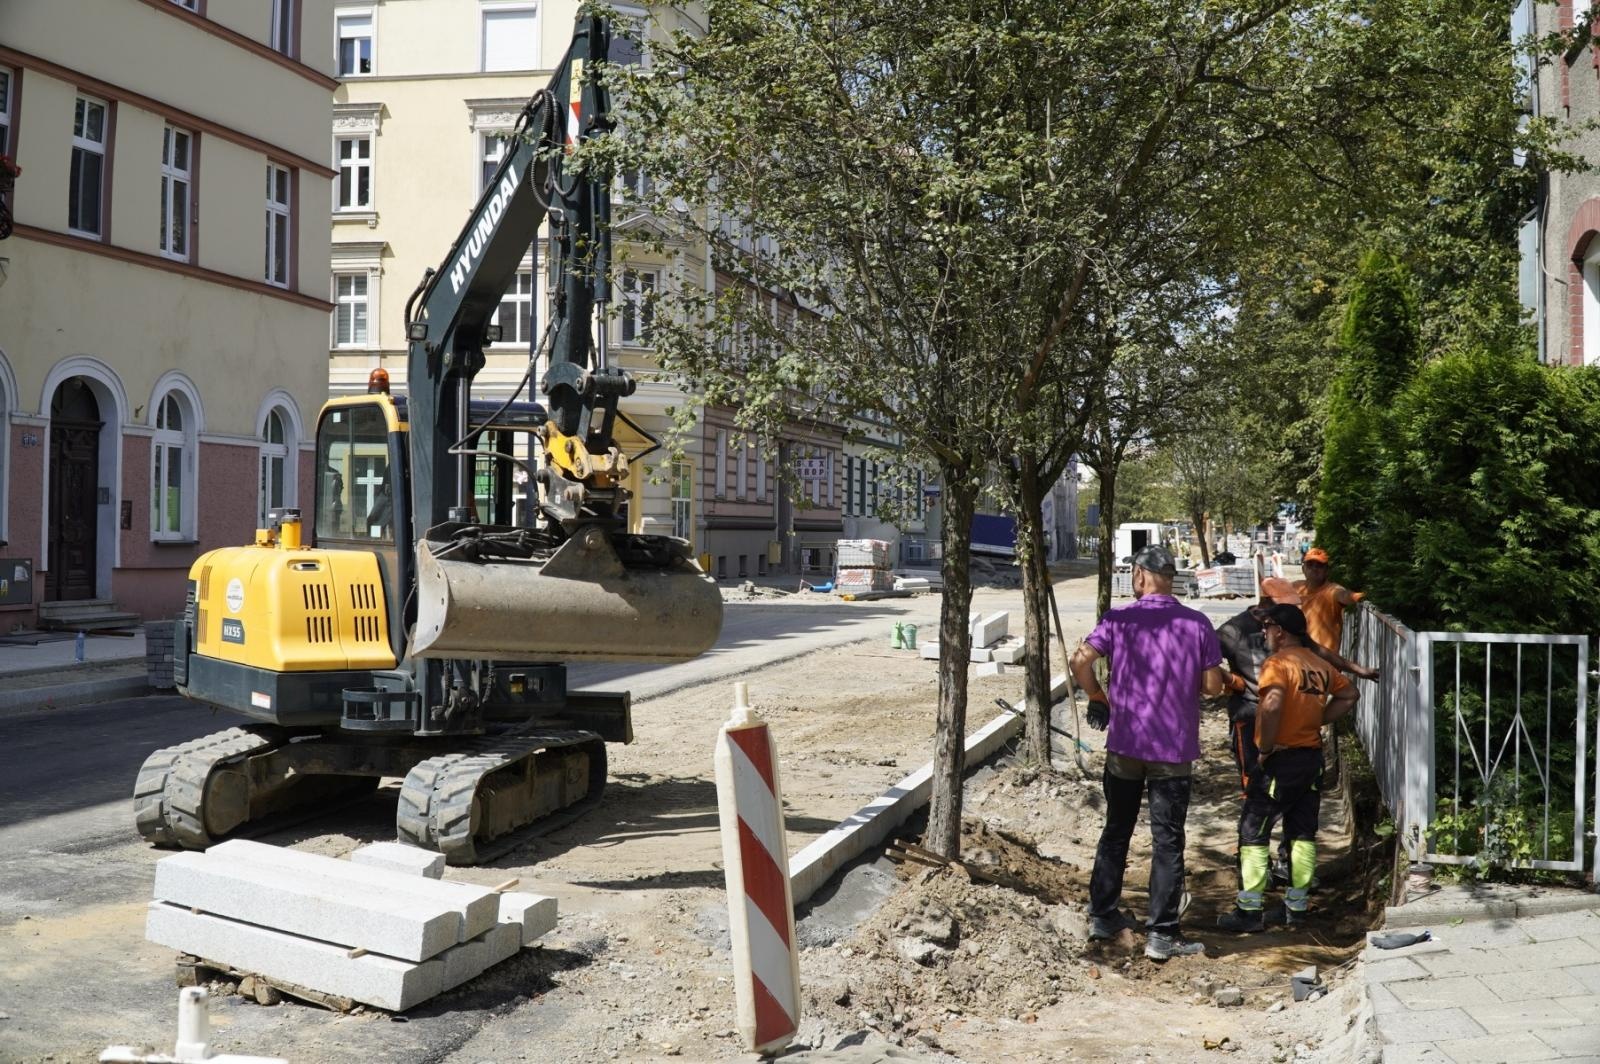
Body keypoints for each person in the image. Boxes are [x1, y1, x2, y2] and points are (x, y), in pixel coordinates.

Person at [1070, 544, 1226, 961]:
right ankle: (1162, 935)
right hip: (1172, 751)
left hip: (1125, 746)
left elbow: (1080, 661)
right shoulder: (1196, 623)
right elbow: (1213, 687)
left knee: (1116, 829)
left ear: (1139, 576)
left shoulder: (1118, 620)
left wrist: (1098, 696)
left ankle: (1102, 915)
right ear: (1170, 578)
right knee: (1167, 840)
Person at [1217, 603, 1358, 933]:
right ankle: (1296, 907)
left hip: (1280, 760)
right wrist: (1316, 719)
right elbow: (1350, 694)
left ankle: (1249, 910)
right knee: (1302, 834)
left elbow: (1272, 704)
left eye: (1267, 627)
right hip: (1311, 760)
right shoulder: (1318, 665)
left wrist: (1265, 748)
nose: (1263, 633)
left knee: (1253, 830)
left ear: (1279, 632)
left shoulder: (1277, 663)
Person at [1294, 547, 1364, 653]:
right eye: (1310, 565)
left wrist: (1361, 596)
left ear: (1327, 571)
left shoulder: (1332, 590)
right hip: (1299, 656)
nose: (1314, 568)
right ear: (1303, 569)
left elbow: (1345, 596)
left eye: (1319, 566)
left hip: (1324, 660)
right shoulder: (1295, 587)